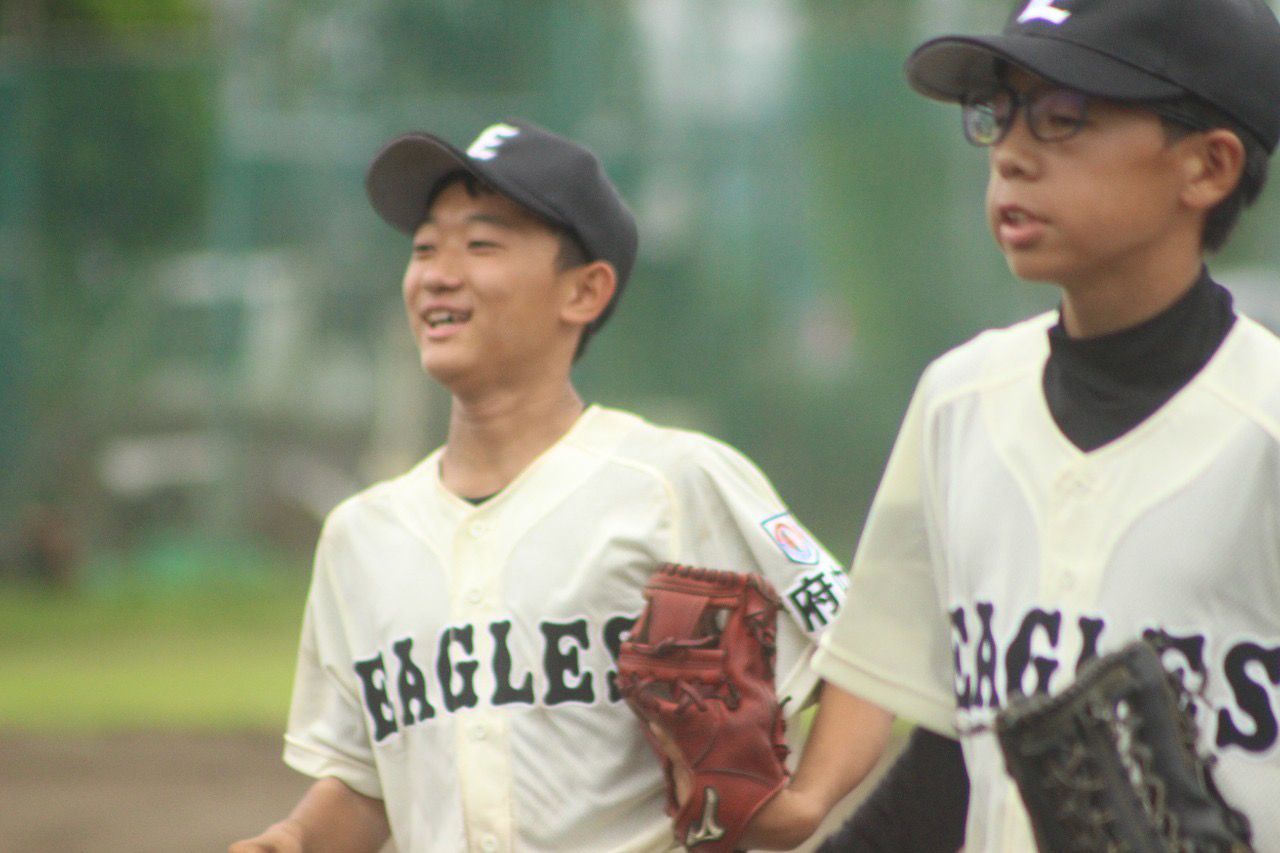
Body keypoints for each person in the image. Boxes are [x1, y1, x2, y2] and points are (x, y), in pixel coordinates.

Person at [228, 118, 876, 853]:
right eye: (424, 248)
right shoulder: (360, 536)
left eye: (481, 244)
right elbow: (367, 781)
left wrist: (805, 803)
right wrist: (297, 837)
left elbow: (862, 646)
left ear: (584, 291)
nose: (438, 273)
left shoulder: (670, 481)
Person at [806, 0, 1280, 849]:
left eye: (1065, 116)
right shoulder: (958, 402)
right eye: (1001, 111)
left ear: (1208, 166)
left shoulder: (1265, 423)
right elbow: (954, 763)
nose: (1013, 153)